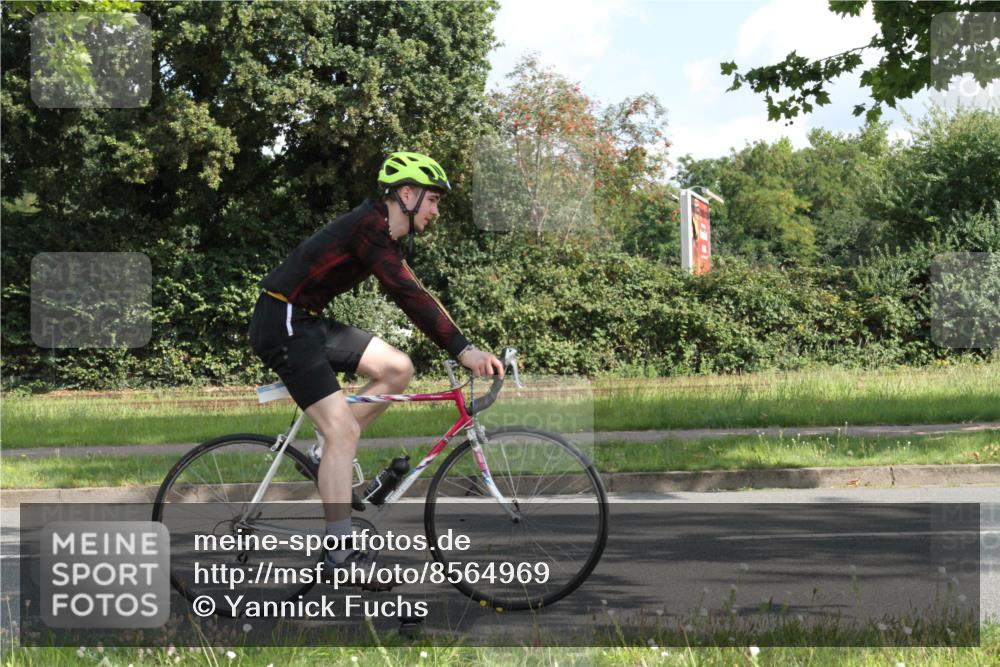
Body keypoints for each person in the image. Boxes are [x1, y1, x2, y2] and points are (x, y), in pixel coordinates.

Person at [248, 151, 503, 578]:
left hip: (305, 320)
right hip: (282, 322)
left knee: (398, 369)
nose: (437, 210)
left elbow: (415, 291)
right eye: (433, 200)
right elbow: (411, 296)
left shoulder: (379, 232)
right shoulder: (368, 229)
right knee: (343, 430)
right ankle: (340, 553)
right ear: (407, 194)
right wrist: (464, 350)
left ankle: (327, 449)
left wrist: (463, 346)